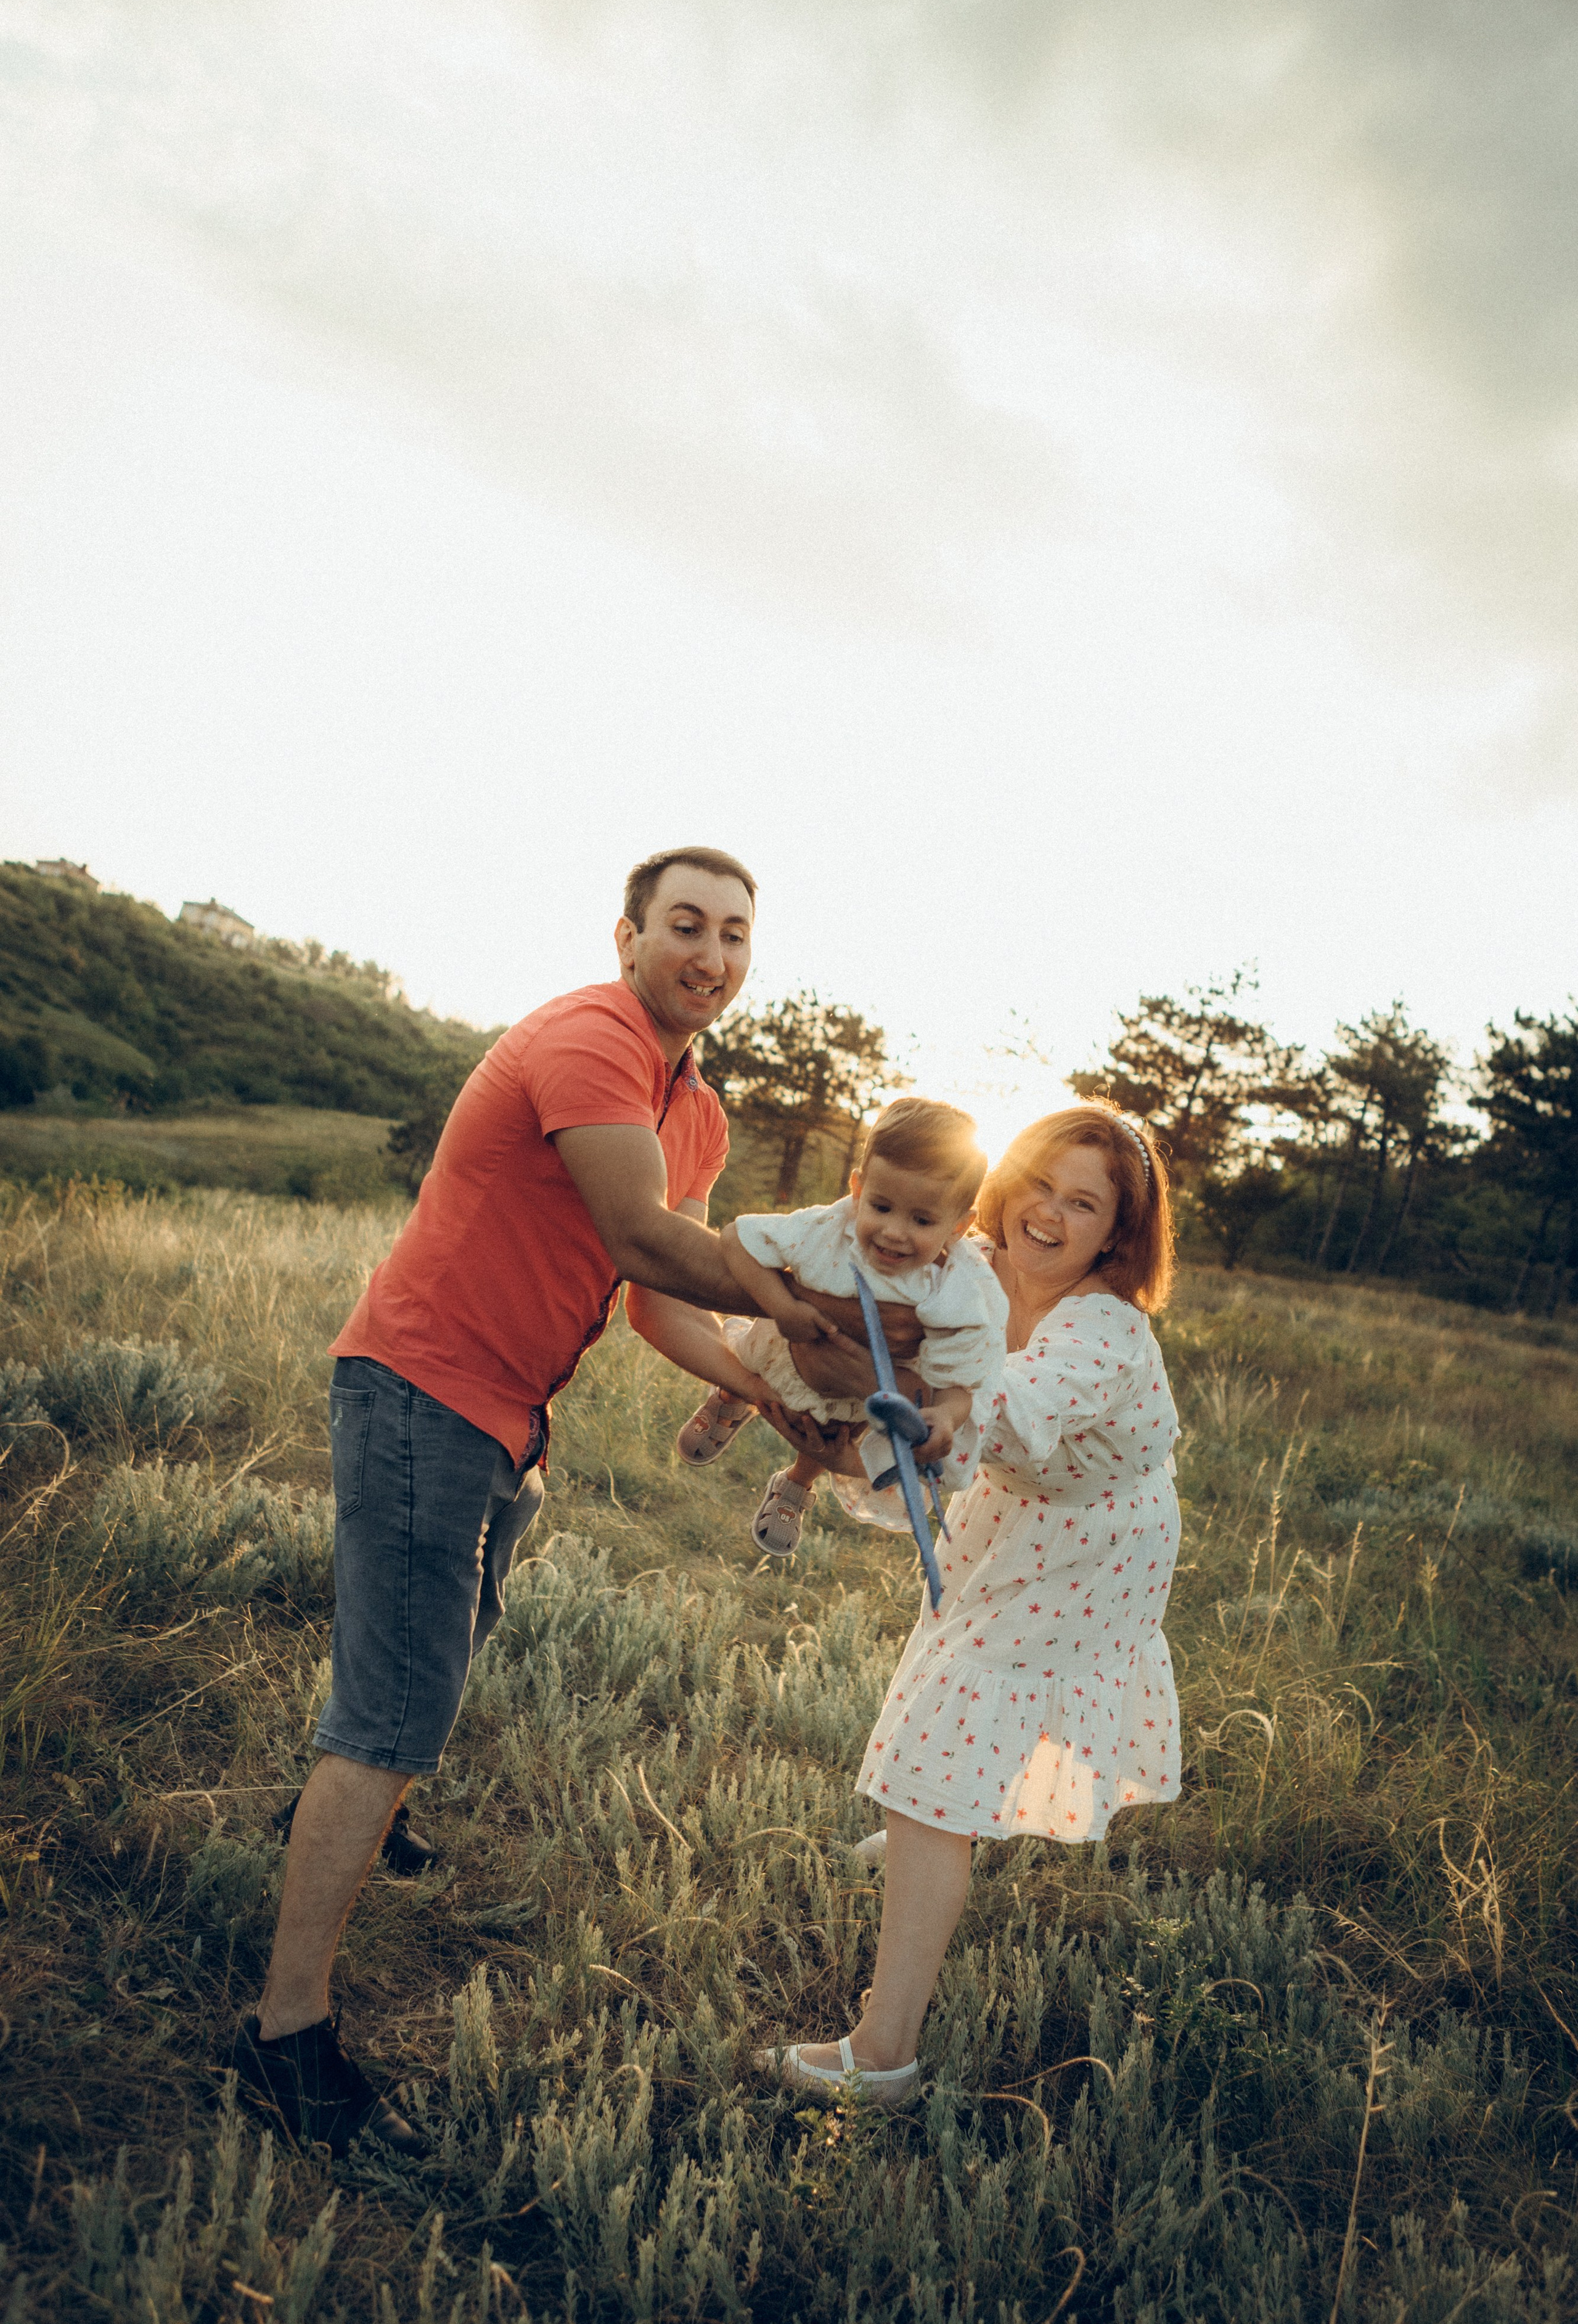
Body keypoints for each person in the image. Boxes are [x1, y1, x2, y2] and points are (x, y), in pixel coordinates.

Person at [231, 844, 852, 2156]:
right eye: (686, 926)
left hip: (504, 1412)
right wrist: (804, 1305)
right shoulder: (590, 1036)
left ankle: (341, 1814)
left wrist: (775, 1393)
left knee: (445, 1649)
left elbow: (651, 1294)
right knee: (398, 1711)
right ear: (627, 934)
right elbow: (641, 1233)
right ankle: (282, 2033)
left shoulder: (697, 1111)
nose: (712, 955)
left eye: (736, 936)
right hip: (420, 1385)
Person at [759, 1101, 1181, 2106]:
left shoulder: (1108, 1329)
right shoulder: (975, 1262)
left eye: (1083, 1204)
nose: (1050, 1212)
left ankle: (883, 2055)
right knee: (944, 1672)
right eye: (1039, 1182)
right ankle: (938, 1830)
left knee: (942, 1745)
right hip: (1012, 1515)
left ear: (1117, 1233)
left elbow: (1006, 1409)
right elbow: (858, 1240)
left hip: (1099, 1545)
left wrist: (911, 1402)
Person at [676, 1099, 1007, 1560]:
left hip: (855, 1390)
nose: (894, 1231)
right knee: (751, 1361)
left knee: (831, 1434)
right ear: (857, 1189)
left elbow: (961, 1378)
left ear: (959, 1226)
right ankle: (730, 1399)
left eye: (922, 1220)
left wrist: (948, 1417)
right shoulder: (828, 1229)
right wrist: (781, 1306)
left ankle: (796, 1486)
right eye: (882, 1206)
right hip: (786, 1346)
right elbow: (738, 1238)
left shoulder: (960, 1291)